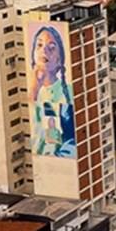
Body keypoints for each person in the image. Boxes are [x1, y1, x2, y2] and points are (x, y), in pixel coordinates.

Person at [29, 25, 76, 157]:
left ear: (59, 60)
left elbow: (70, 140)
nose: (44, 50)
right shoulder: (25, 90)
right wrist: (33, 92)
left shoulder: (67, 94)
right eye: (39, 45)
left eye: (51, 48)